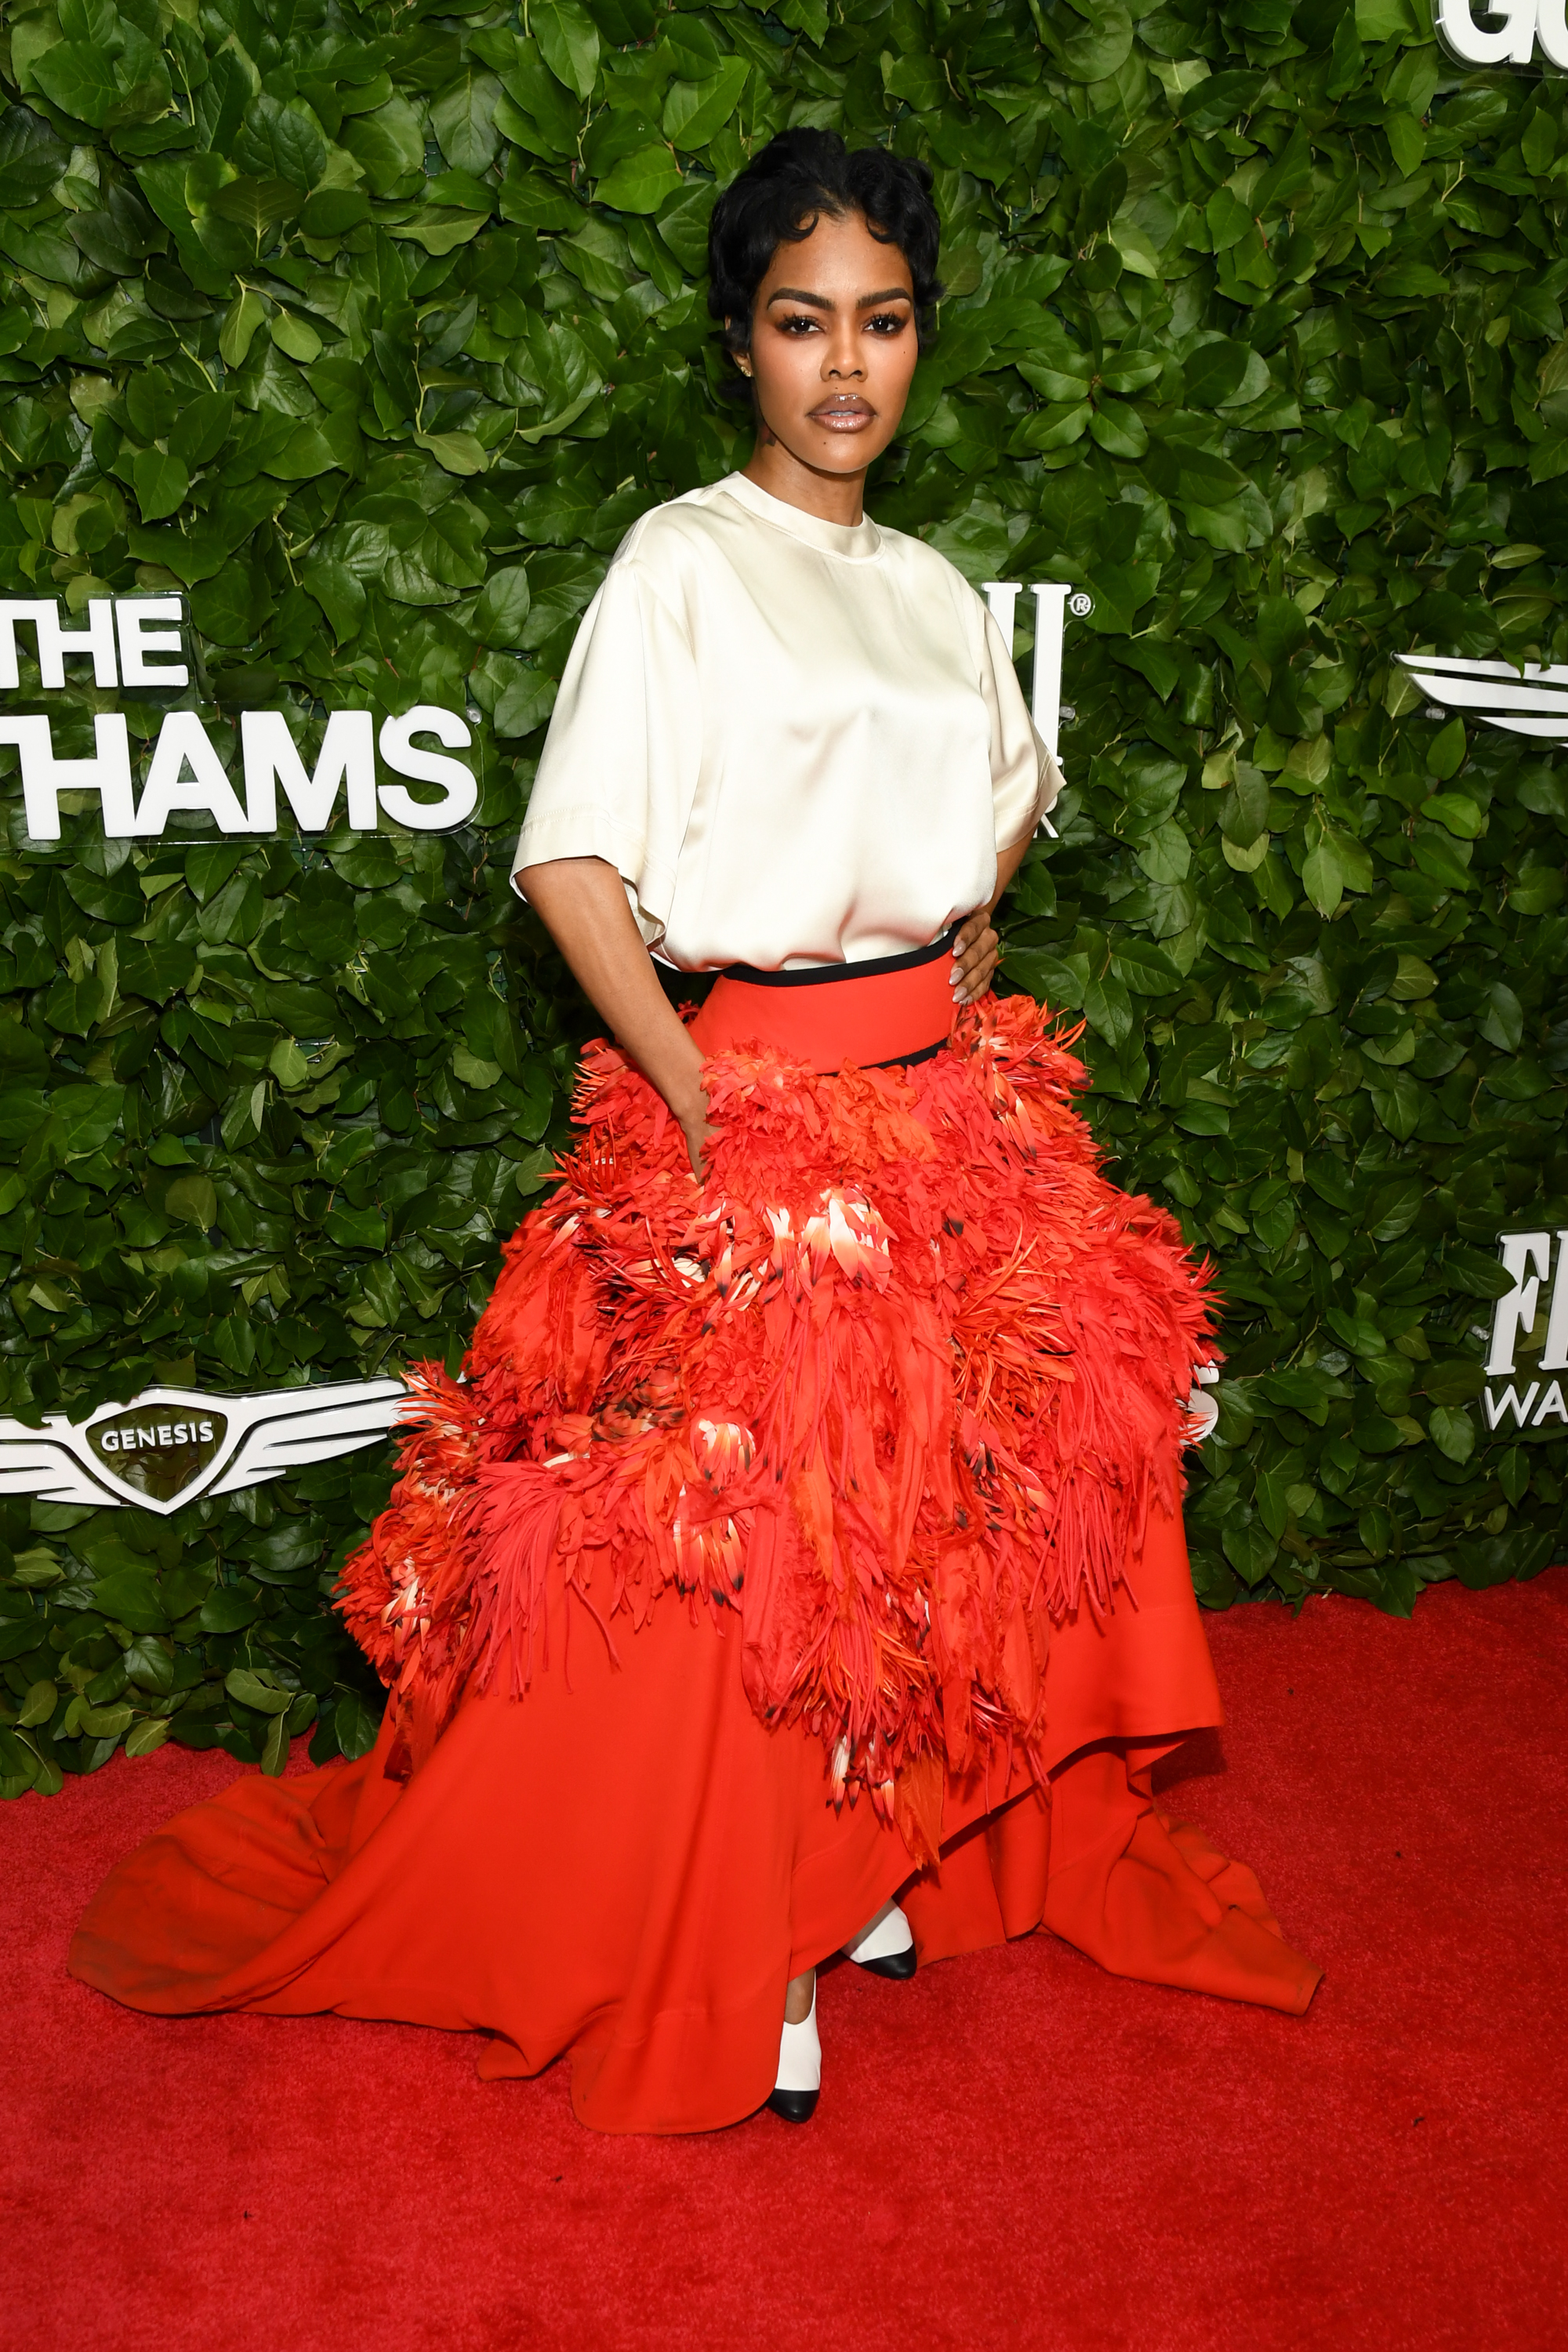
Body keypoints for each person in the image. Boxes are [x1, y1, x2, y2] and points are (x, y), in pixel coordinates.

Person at [70, 131, 1319, 2133]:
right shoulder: (680, 563)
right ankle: (764, 1937)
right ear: (740, 345)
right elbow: (571, 860)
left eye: (884, 324)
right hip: (760, 1131)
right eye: (802, 322)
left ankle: (875, 1851)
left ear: (921, 341)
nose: (847, 367)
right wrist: (688, 1089)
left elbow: (1006, 791)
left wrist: (956, 947)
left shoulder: (929, 585)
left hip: (949, 1119)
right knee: (771, 1558)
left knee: (957, 1517)